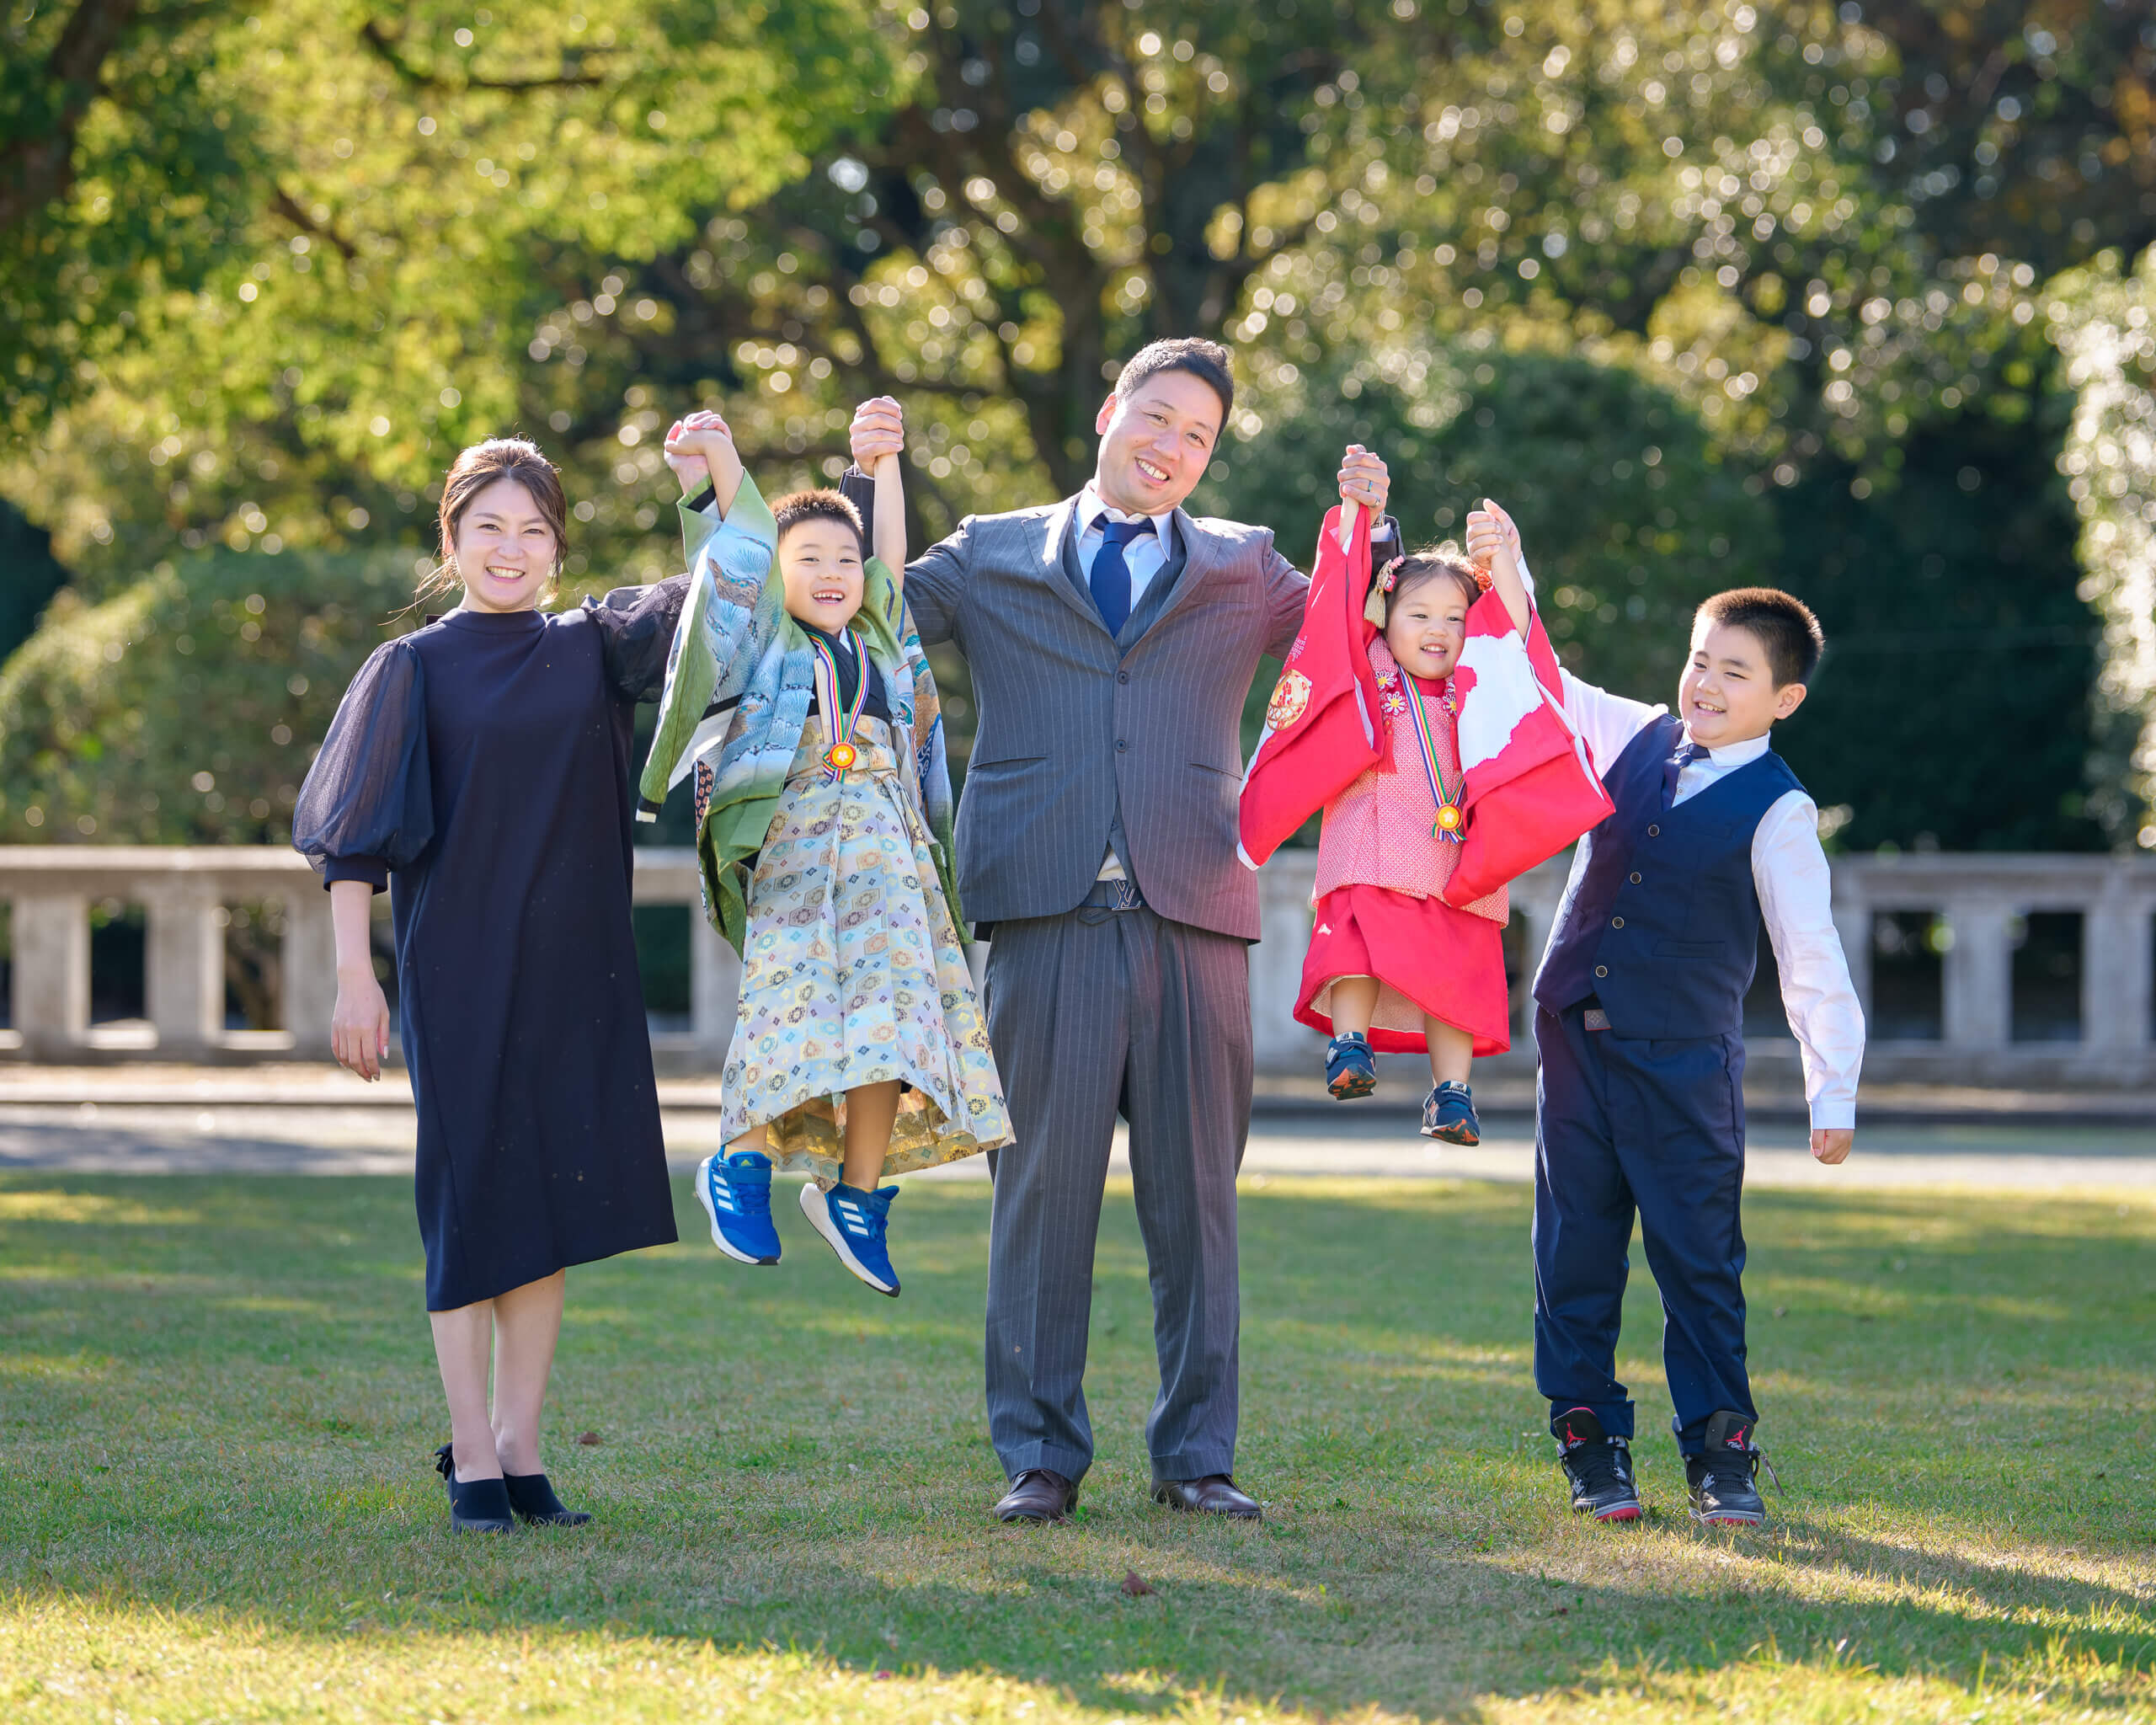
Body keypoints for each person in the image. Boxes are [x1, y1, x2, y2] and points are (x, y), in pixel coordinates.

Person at [843, 339, 1397, 1524]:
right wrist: (869, 477)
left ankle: (1197, 1457)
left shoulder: (1246, 564)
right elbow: (868, 610)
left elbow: (1362, 632)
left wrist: (1373, 532)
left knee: (1197, 1208)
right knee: (1039, 1203)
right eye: (1158, 417)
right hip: (1042, 915)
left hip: (1196, 909)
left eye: (1199, 436)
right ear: (1110, 411)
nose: (1173, 447)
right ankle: (1040, 1457)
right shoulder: (992, 551)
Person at [293, 437, 681, 1535]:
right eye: (489, 529)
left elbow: (732, 583)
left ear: (558, 545)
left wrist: (719, 476)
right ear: (452, 540)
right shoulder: (410, 667)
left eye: (533, 530)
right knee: (470, 1203)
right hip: (456, 969)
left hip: (575, 970)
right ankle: (469, 1455)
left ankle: (520, 1449)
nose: (511, 549)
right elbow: (353, 844)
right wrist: (355, 980)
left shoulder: (596, 647)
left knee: (545, 1200)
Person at [1475, 501, 1866, 1529]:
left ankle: (1719, 1453)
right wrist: (1508, 568)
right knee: (1572, 1254)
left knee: (1697, 1261)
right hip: (1576, 1048)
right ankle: (1589, 1441)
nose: (1706, 683)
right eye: (1700, 661)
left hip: (1685, 1066)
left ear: (1783, 698)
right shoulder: (1631, 735)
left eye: (1735, 672)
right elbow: (1544, 674)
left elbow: (1809, 957)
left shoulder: (1778, 807)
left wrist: (1833, 1090)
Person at [639, 408, 1009, 1297]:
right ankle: (739, 1165)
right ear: (775, 572)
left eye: (845, 559)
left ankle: (857, 1194)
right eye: (809, 558)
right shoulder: (765, 638)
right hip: (798, 850)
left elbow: (889, 561)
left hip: (888, 854)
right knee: (786, 1008)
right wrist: (720, 462)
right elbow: (737, 550)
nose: (835, 571)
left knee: (894, 1028)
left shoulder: (880, 638)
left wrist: (880, 466)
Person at [1293, 536, 1528, 1145]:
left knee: (1455, 981)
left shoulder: (1482, 681)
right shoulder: (1369, 665)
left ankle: (1453, 1095)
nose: (1438, 630)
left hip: (1458, 863)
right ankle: (1350, 1047)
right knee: (1355, 945)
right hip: (1370, 846)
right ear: (1384, 616)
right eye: (1419, 614)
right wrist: (1363, 523)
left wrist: (1503, 559)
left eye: (1456, 618)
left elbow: (1520, 634)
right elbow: (1337, 606)